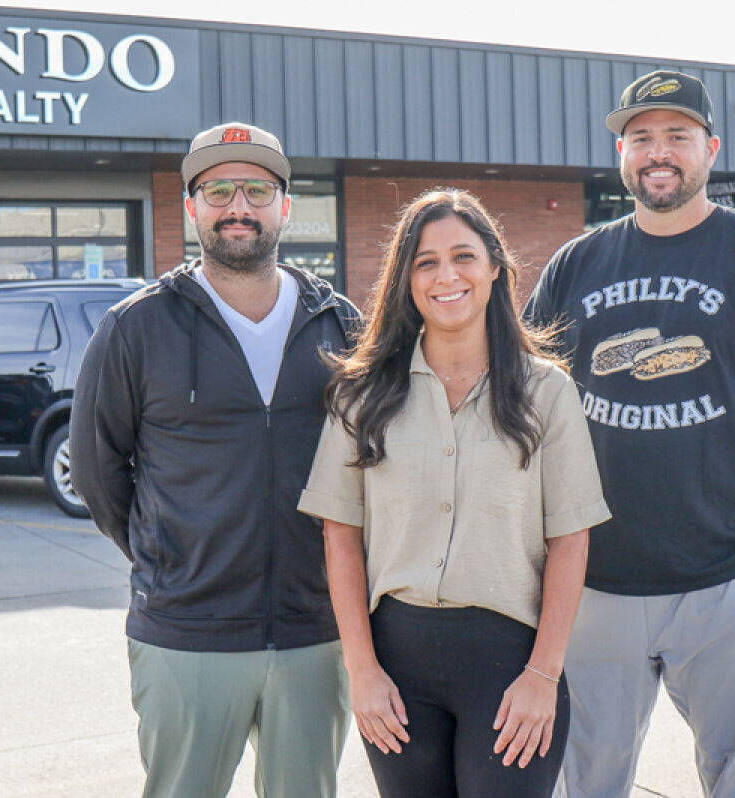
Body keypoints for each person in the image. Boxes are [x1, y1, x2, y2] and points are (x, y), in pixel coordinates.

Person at [525, 71, 735, 798]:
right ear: (621, 152)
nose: (658, 152)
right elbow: (522, 407)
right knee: (585, 783)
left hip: (732, 580)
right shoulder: (575, 265)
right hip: (594, 585)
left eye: (677, 135)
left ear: (709, 148)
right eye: (640, 137)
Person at [70, 121, 357, 798]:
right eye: (218, 189)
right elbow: (96, 470)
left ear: (286, 207)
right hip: (187, 634)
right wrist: (170, 556)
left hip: (316, 629)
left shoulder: (341, 323)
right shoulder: (135, 328)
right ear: (191, 207)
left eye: (257, 189)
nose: (238, 206)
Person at [298, 188, 610, 798]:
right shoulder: (361, 395)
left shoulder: (547, 392)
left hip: (510, 668)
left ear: (496, 268)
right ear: (406, 282)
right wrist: (361, 672)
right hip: (395, 668)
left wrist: (542, 676)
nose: (447, 276)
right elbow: (341, 537)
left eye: (463, 256)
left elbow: (571, 541)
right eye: (426, 262)